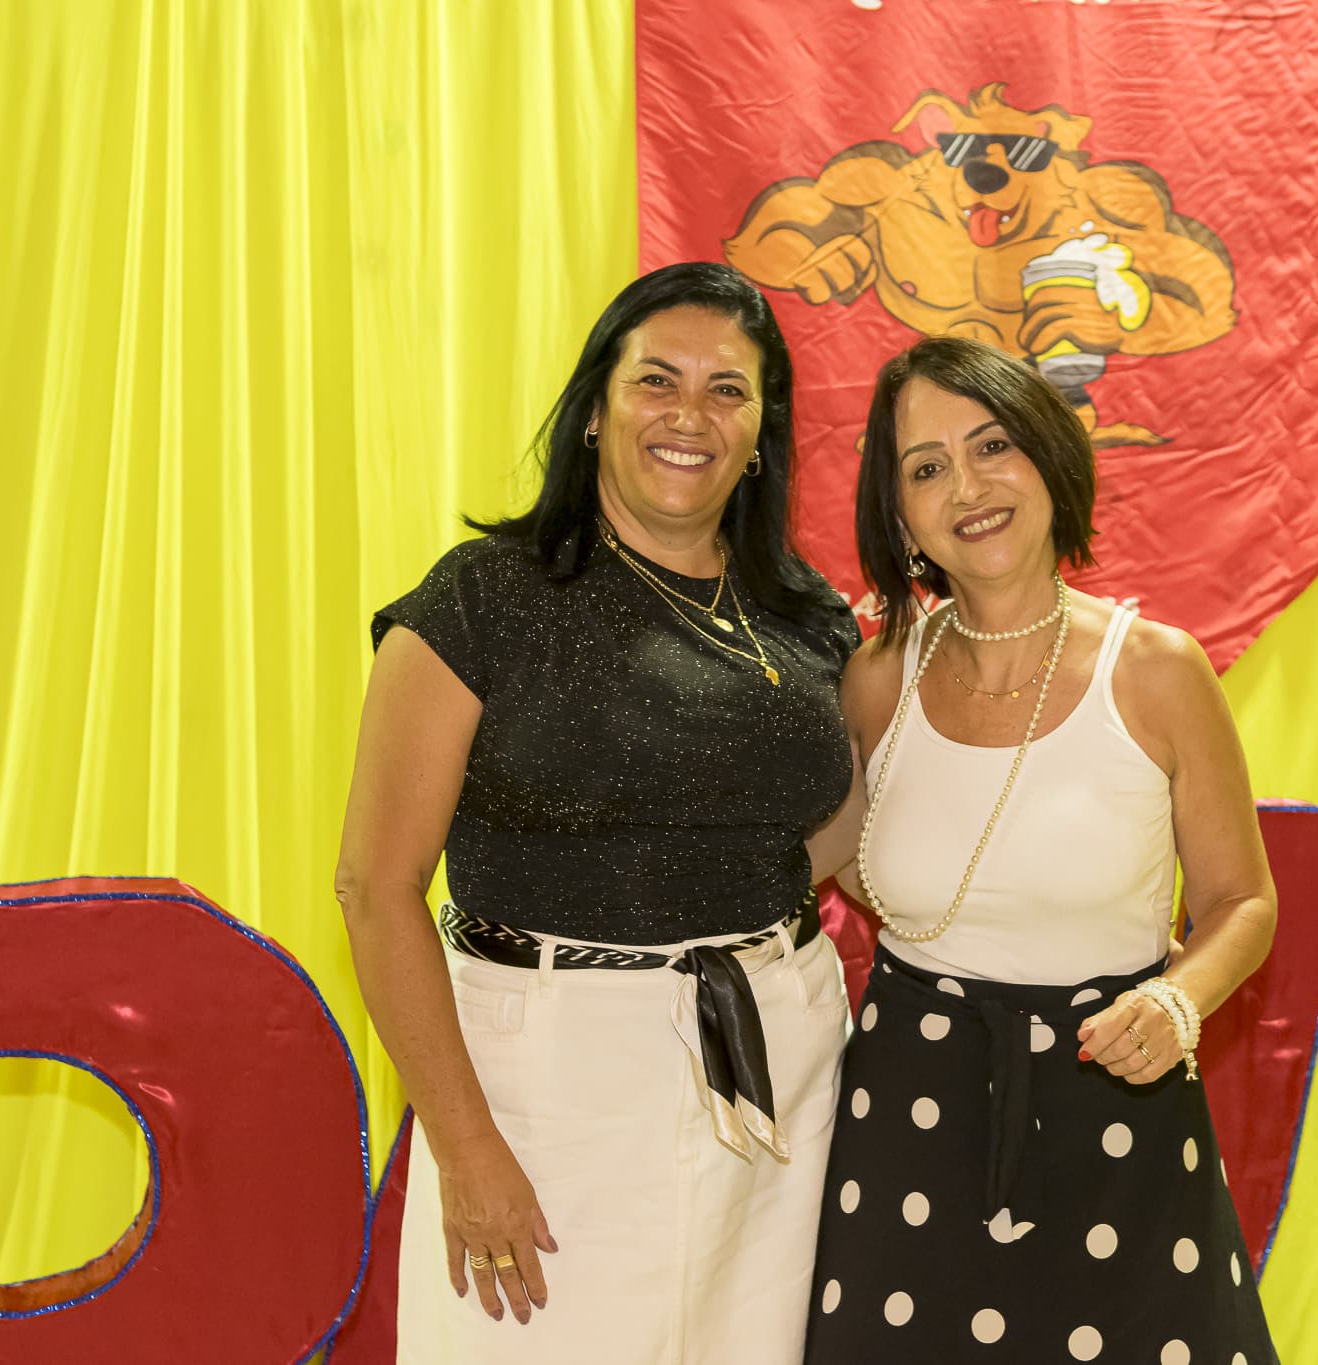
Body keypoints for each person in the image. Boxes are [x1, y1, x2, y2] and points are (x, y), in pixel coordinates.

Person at [334, 262, 865, 1364]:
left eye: (727, 389)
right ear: (593, 409)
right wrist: (465, 1145)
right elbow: (375, 889)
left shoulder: (807, 615)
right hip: (542, 1078)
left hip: (781, 1056)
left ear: (760, 435)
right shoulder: (483, 595)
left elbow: (827, 834)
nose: (689, 414)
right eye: (656, 380)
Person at [805, 336, 1280, 1363]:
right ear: (898, 514)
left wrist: (1177, 1000)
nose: (966, 488)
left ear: (1049, 458)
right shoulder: (876, 678)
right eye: (925, 467)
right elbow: (834, 855)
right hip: (907, 1109)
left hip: (1114, 1102)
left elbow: (1241, 901)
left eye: (992, 446)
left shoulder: (1156, 670)